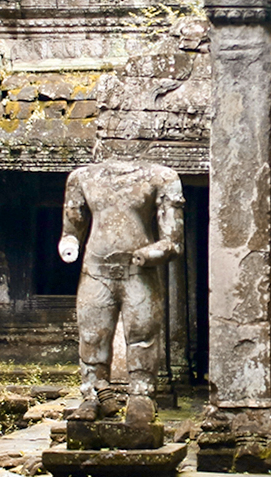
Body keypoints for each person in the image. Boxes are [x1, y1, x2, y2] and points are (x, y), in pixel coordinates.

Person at [58, 159, 184, 425]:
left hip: (138, 270)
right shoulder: (81, 178)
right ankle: (94, 394)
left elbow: (173, 241)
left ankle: (141, 394)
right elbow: (71, 230)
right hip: (96, 269)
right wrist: (69, 244)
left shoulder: (161, 177)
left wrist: (151, 253)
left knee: (142, 335)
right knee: (92, 336)